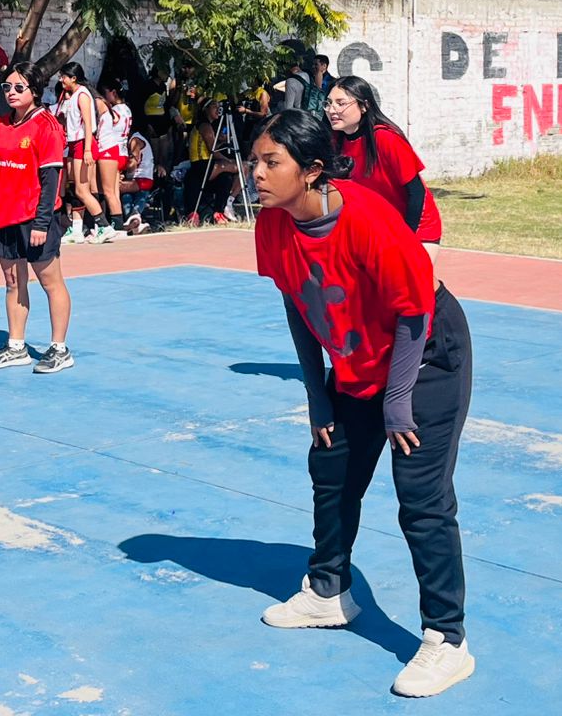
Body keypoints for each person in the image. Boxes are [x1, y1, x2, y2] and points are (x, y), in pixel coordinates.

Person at [252, 110, 475, 698]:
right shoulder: (273, 223)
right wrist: (317, 396)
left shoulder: (368, 219)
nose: (257, 174)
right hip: (360, 362)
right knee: (331, 465)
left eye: (271, 162)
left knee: (421, 497)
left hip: (425, 356)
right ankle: (329, 592)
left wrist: (397, 401)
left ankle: (447, 640)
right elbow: (297, 305)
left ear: (312, 170)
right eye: (255, 162)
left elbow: (414, 311)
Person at [0, 61, 75, 374]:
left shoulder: (47, 126)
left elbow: (51, 181)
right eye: (7, 87)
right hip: (5, 218)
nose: (12, 92)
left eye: (19, 87)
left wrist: (42, 223)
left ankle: (59, 349)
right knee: (12, 282)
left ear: (35, 91)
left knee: (50, 282)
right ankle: (16, 346)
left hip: (35, 219)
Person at [326, 75, 442, 261]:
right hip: (379, 227)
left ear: (364, 106)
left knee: (413, 278)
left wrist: (406, 239)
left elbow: (416, 192)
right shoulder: (336, 141)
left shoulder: (386, 138)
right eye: (329, 103)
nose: (332, 110)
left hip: (415, 225)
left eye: (341, 103)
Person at [56, 63, 112, 243]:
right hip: (74, 144)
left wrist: (87, 149)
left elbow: (88, 124)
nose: (61, 80)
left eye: (64, 76)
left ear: (73, 78)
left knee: (82, 190)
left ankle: (104, 226)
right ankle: (77, 230)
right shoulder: (72, 96)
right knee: (76, 188)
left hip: (83, 144)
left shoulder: (82, 95)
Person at [185, 95, 237, 225]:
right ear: (206, 109)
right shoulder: (204, 125)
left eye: (219, 106)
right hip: (201, 164)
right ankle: (229, 203)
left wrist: (221, 142)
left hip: (207, 165)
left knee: (225, 177)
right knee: (244, 167)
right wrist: (228, 161)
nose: (218, 109)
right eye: (214, 106)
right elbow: (213, 151)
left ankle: (220, 210)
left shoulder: (207, 126)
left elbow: (211, 147)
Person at [93, 79, 131, 238]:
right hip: (122, 151)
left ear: (113, 93)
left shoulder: (113, 111)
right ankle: (118, 223)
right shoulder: (127, 109)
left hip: (110, 150)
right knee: (114, 192)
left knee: (108, 192)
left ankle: (116, 224)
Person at [120, 128, 157, 232]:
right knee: (126, 196)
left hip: (141, 178)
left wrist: (122, 172)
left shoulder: (135, 140)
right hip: (145, 178)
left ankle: (126, 219)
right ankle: (136, 224)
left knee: (113, 189)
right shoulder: (139, 138)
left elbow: (133, 163)